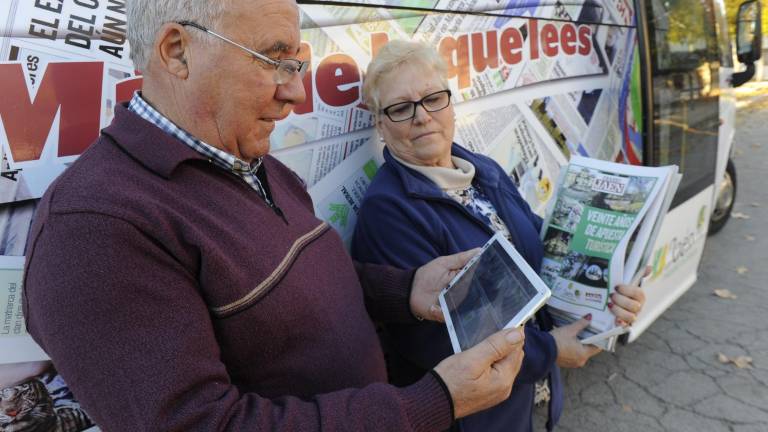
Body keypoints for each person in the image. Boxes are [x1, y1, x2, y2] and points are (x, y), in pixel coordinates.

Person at [21, 1, 529, 430]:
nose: (294, 93)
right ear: (178, 52)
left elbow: (298, 288)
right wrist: (430, 404)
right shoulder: (92, 226)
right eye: (273, 60)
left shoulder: (250, 159)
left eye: (297, 64)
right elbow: (202, 423)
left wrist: (405, 291)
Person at [351, 40, 647, 432]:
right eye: (401, 108)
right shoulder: (388, 210)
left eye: (432, 98)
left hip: (514, 402)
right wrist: (552, 350)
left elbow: (541, 247)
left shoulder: (481, 168)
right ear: (380, 123)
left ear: (450, 103)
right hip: (471, 419)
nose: (422, 117)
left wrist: (610, 287)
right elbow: (446, 339)